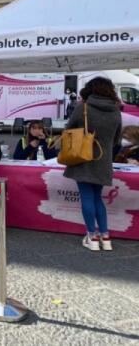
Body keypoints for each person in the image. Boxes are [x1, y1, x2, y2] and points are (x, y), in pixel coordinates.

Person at [64, 77, 121, 252]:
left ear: (90, 89)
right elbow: (117, 140)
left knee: (87, 197)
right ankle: (105, 237)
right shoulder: (116, 110)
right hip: (103, 161)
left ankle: (92, 236)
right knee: (97, 198)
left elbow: (68, 131)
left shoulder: (83, 107)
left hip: (82, 158)